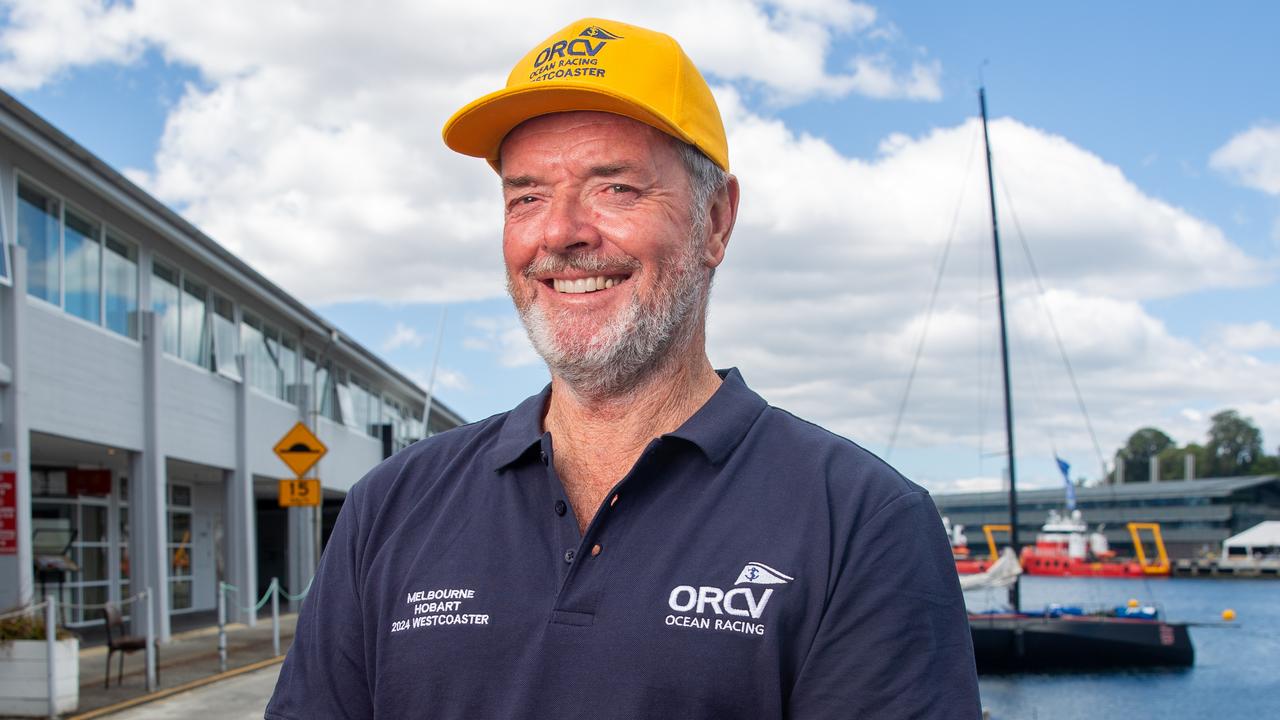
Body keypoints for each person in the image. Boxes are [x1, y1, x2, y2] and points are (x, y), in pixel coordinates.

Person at [267, 17, 979, 719]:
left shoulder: (861, 522)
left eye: (616, 188)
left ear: (717, 221)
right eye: (527, 197)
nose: (561, 232)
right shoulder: (390, 508)